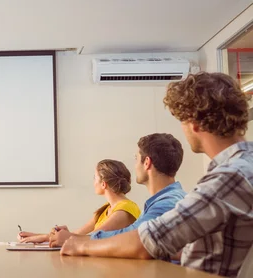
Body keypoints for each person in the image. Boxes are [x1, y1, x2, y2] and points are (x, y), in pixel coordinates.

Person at [61, 72, 253, 278]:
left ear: (193, 123)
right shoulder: (242, 166)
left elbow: (148, 241)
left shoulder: (230, 177)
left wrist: (80, 246)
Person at [48, 133, 186, 247]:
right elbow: (130, 233)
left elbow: (135, 239)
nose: (134, 164)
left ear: (147, 162)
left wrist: (72, 240)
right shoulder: (162, 200)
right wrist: (71, 237)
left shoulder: (167, 203)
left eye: (136, 158)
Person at [18, 159, 140, 244]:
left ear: (103, 184)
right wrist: (39, 236)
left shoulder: (125, 210)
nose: (93, 182)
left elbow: (91, 238)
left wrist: (47, 237)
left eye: (95, 177)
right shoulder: (106, 209)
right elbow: (78, 234)